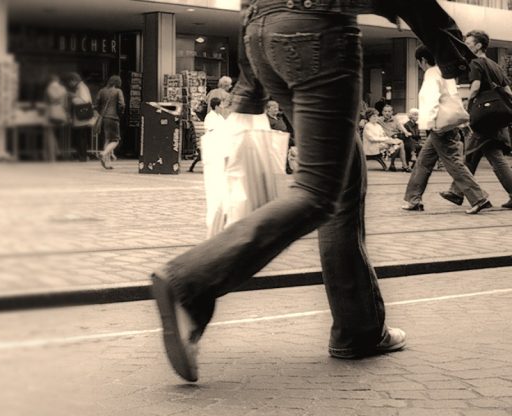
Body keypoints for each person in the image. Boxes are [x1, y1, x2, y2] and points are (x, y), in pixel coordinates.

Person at [150, 0, 477, 383]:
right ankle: (189, 281)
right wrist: (457, 58)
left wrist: (251, 86)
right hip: (318, 29)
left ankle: (359, 329)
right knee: (317, 192)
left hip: (262, 32)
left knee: (342, 178)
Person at [402, 45, 491, 214]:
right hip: (449, 124)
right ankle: (413, 199)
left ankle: (479, 198)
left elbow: (430, 101)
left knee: (453, 163)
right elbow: (454, 100)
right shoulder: (446, 73)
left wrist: (427, 125)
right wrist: (461, 123)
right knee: (424, 161)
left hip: (438, 126)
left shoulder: (431, 74)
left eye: (419, 62)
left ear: (422, 60)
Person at [440, 30, 512, 209]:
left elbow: (475, 87)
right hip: (496, 119)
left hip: (482, 119)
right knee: (492, 157)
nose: (467, 45)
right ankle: (456, 192)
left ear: (479, 45)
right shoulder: (495, 65)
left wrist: (466, 105)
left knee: (473, 155)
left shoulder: (475, 63)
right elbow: (509, 92)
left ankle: (458, 192)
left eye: (469, 42)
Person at [95, 75, 126, 170]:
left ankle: (107, 162)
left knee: (107, 139)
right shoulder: (118, 91)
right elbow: (122, 104)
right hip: (113, 117)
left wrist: (101, 113)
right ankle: (103, 153)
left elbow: (96, 105)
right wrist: (120, 113)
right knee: (116, 140)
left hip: (103, 118)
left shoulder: (102, 91)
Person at [67, 73, 96, 162]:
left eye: (70, 81)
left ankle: (82, 156)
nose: (70, 84)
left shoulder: (81, 87)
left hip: (81, 118)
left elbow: (85, 101)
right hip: (81, 118)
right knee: (81, 137)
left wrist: (73, 98)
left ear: (74, 80)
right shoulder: (80, 87)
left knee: (81, 137)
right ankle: (82, 156)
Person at [379, 104, 411, 171]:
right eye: (385, 111)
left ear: (392, 112)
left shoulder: (395, 119)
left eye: (389, 111)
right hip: (385, 139)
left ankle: (393, 164)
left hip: (394, 138)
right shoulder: (379, 120)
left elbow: (401, 127)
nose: (387, 113)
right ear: (382, 112)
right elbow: (369, 119)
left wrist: (406, 132)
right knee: (400, 143)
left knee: (400, 144)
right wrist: (363, 121)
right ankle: (404, 165)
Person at [44, 75, 68, 162]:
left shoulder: (49, 88)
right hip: (60, 113)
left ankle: (52, 157)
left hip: (51, 113)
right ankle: (57, 150)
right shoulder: (63, 89)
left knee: (49, 134)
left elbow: (47, 102)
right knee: (55, 134)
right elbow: (65, 104)